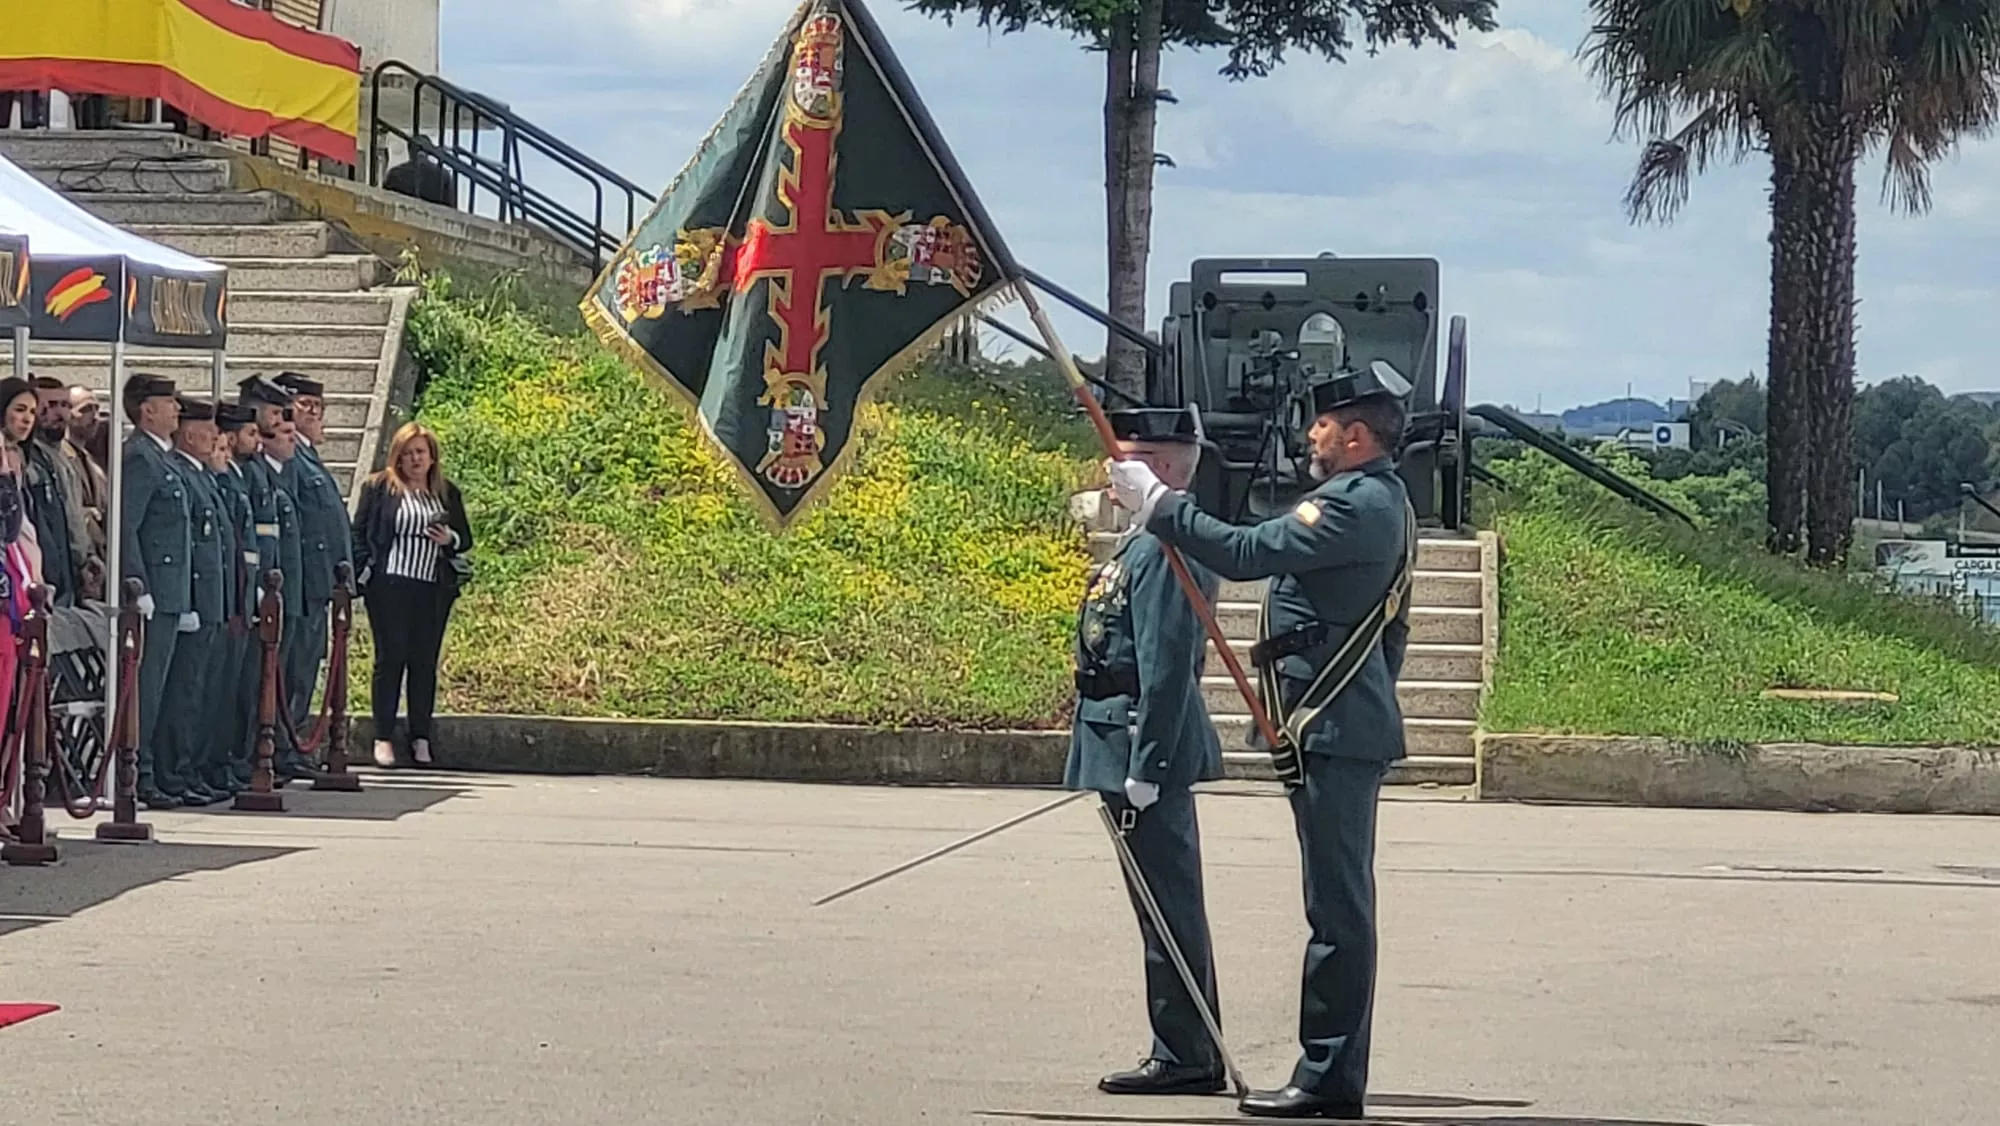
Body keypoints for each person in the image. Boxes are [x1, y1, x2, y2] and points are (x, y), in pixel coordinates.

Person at [1107, 361, 1418, 1122]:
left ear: (1355, 434)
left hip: (1339, 728)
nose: (1310, 437)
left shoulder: (1359, 504)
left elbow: (1248, 556)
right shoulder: (1366, 499)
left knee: (1337, 912)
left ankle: (1329, 1077)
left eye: (1322, 425)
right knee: (1334, 905)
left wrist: (1162, 508)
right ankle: (1326, 1069)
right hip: (1332, 723)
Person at [1066, 405, 1228, 1097]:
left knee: (1167, 905)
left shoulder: (1169, 546)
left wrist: (1148, 764)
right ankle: (1182, 1043)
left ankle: (1187, 1051)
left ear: (1159, 468)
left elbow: (1167, 662)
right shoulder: (1144, 539)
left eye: (1124, 457)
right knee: (1153, 902)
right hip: (1117, 736)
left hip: (1140, 742)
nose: (1110, 470)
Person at [351, 422, 471, 768]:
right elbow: (360, 532)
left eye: (420, 452)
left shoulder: (446, 492)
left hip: (432, 587)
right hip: (390, 585)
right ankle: (383, 736)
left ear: (432, 456)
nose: (415, 460)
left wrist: (449, 540)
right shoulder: (379, 488)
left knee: (423, 661)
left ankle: (420, 736)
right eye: (407, 454)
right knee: (390, 659)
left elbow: (465, 538)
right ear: (397, 458)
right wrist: (365, 570)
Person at [118, 374, 193, 811]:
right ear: (147, 409)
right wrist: (138, 583)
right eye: (170, 403)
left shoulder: (164, 458)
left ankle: (155, 770)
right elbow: (128, 525)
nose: (177, 410)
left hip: (172, 592)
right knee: (146, 688)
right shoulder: (140, 458)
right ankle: (138, 774)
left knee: (164, 688)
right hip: (153, 594)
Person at [273, 372, 352, 765]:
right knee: (293, 670)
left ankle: (295, 741)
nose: (319, 416)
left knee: (306, 667)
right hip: (301, 582)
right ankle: (286, 747)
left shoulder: (306, 455)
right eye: (312, 408)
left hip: (319, 582)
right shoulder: (291, 458)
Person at [155, 396, 231, 806]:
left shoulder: (199, 474)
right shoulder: (173, 469)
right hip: (185, 594)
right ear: (189, 434)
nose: (216, 438)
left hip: (206, 596)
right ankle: (164, 772)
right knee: (179, 692)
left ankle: (185, 769)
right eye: (208, 432)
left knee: (198, 691)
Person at [210, 402, 262, 791]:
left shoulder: (237, 475)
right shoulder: (221, 478)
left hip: (237, 592)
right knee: (206, 689)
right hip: (216, 594)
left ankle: (219, 765)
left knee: (226, 691)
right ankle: (183, 769)